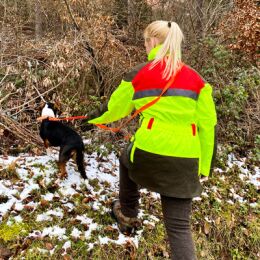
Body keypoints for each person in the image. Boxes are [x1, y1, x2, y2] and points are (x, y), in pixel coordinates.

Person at [88, 20, 217, 260]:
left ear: (153, 41)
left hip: (147, 153)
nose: (145, 47)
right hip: (185, 160)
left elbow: (113, 109)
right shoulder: (198, 81)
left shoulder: (138, 73)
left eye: (146, 42)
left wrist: (88, 118)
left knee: (127, 157)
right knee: (179, 228)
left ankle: (127, 213)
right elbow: (207, 127)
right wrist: (205, 166)